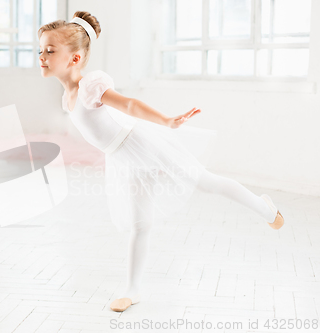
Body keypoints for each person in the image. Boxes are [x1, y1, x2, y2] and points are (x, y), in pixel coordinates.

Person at [38, 11, 284, 313]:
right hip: (124, 160)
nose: (42, 56)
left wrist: (166, 120)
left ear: (75, 58)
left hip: (144, 145)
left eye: (50, 50)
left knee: (206, 182)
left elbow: (128, 104)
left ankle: (265, 207)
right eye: (41, 50)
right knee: (140, 224)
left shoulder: (91, 86)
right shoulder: (67, 98)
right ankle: (132, 289)